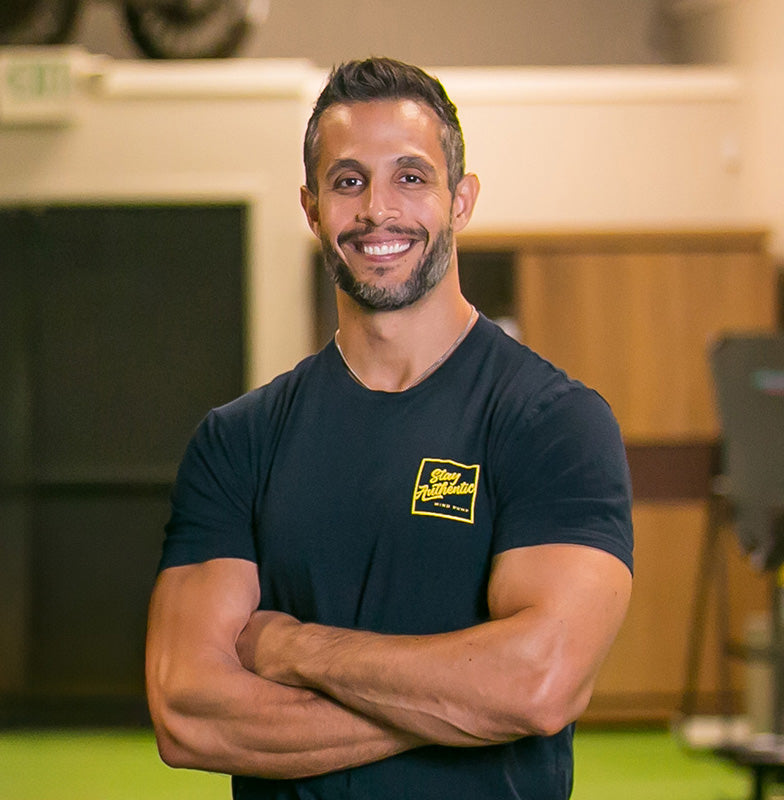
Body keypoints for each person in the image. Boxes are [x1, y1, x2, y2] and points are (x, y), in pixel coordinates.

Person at [146, 57, 633, 800]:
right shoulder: (236, 441)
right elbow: (188, 713)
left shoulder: (553, 422)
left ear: (460, 201)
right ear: (312, 209)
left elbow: (538, 684)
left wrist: (292, 647)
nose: (378, 210)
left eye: (411, 177)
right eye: (348, 182)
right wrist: (461, 702)